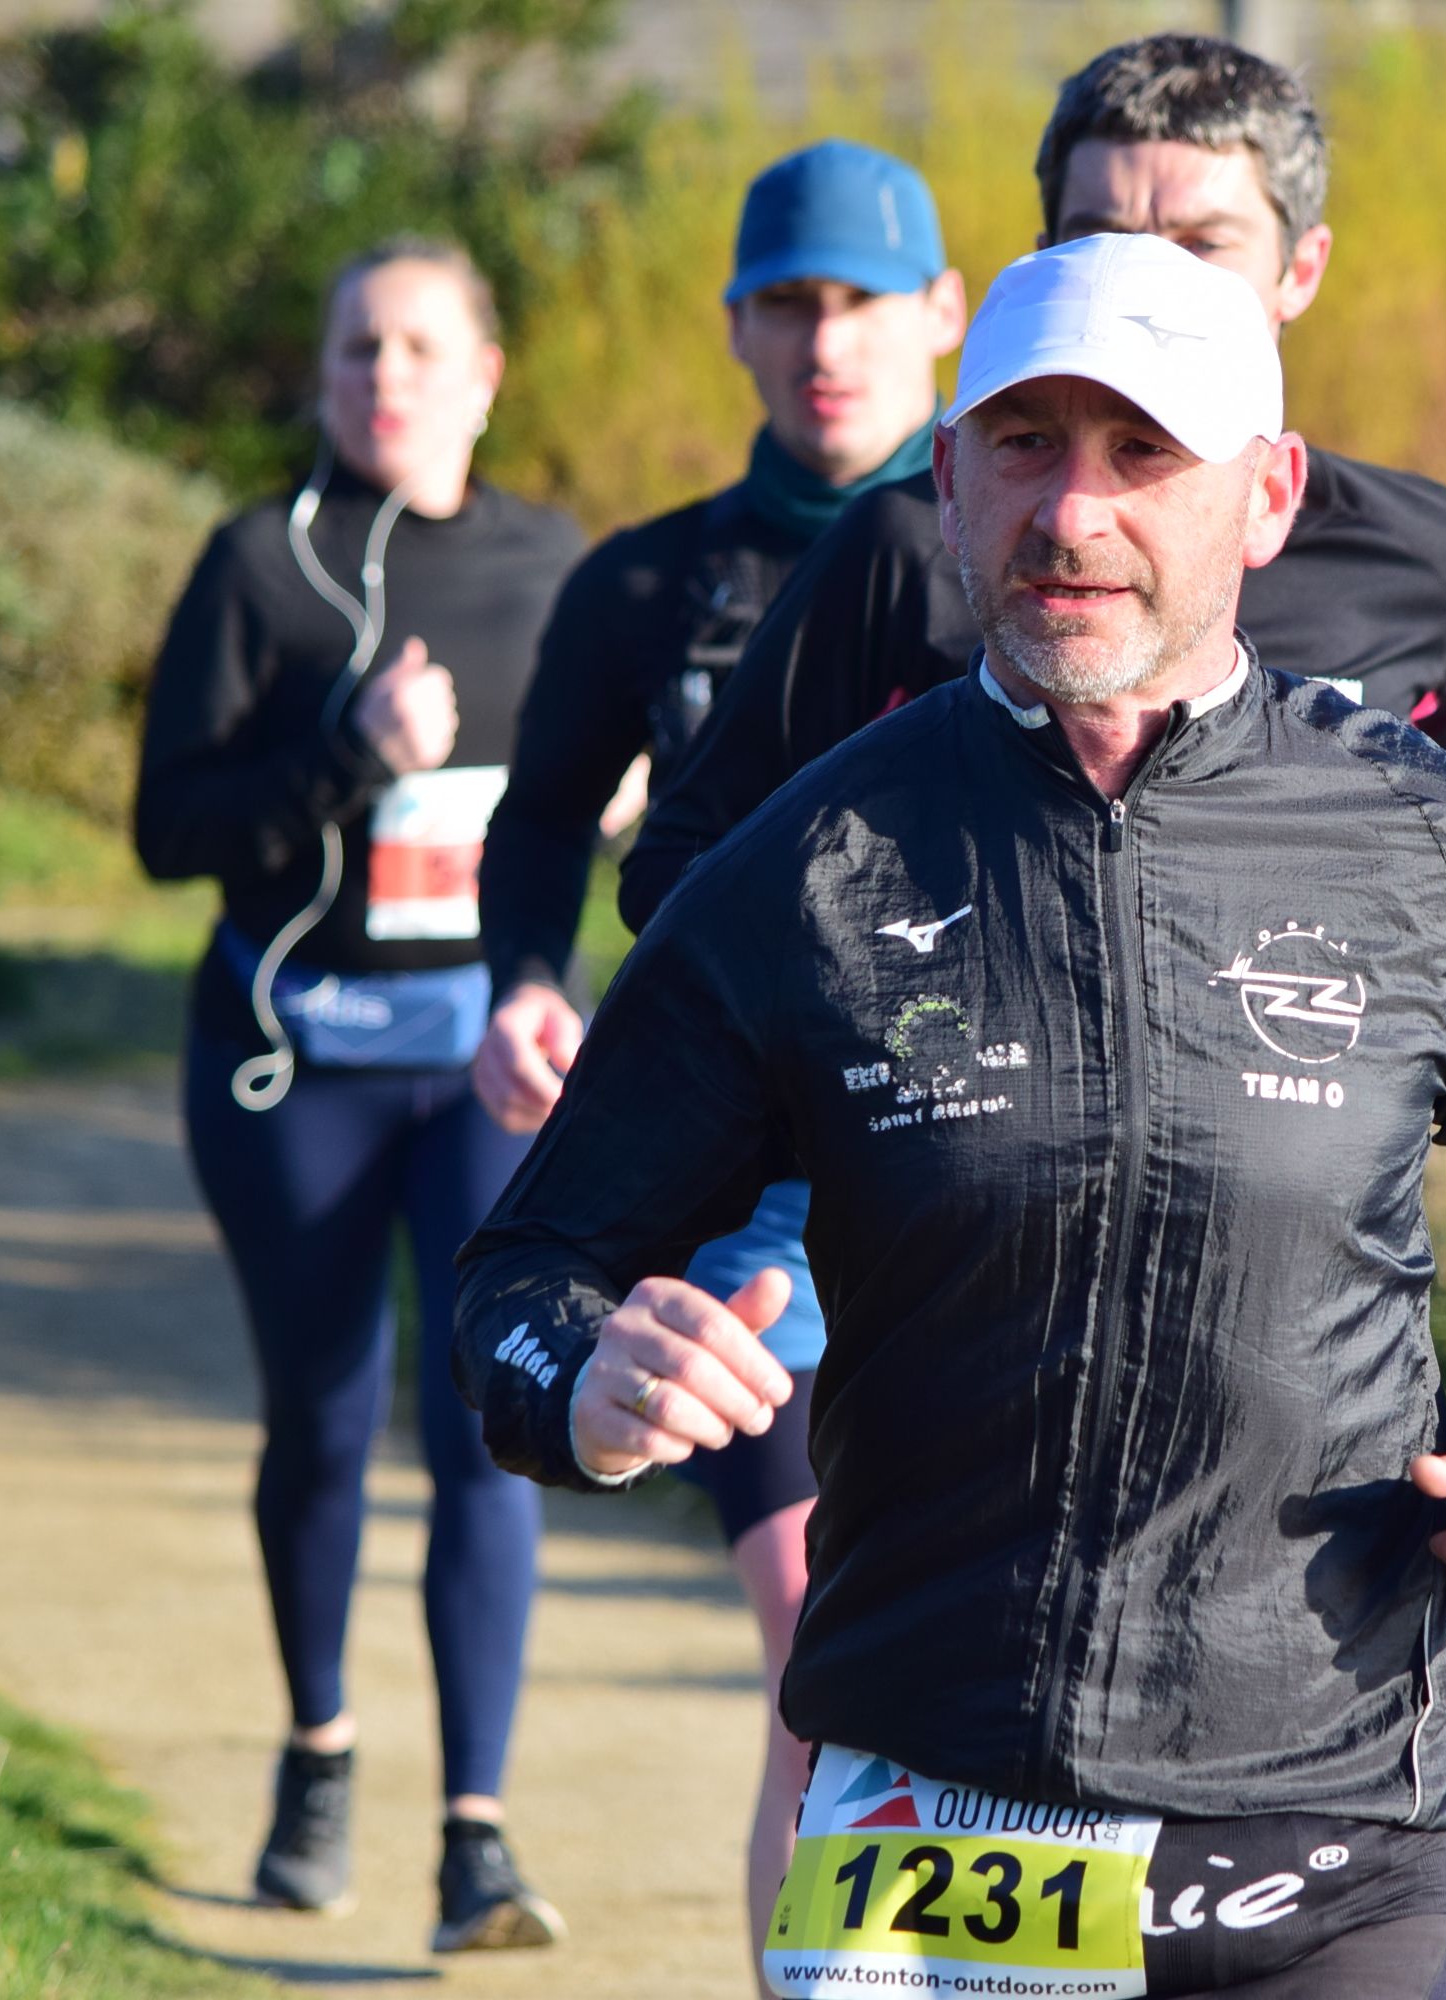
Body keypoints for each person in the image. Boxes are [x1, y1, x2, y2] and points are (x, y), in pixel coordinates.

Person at [454, 232, 1446, 1999]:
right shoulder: (811, 862)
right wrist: (585, 1375)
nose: (1074, 513)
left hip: (1337, 1825)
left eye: (1141, 452)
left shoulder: (1428, 840)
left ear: (1267, 497)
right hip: (926, 1821)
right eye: (1026, 446)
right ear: (948, 484)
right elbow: (526, 1268)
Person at [467, 138, 965, 1963]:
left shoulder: (1037, 562)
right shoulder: (647, 583)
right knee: (816, 1642)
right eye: (789, 304)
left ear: (945, 314)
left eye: (863, 303)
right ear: (738, 327)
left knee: (953, 1679)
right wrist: (524, 979)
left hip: (983, 1180)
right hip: (755, 1197)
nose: (827, 342)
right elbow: (543, 820)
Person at [617, 32, 1446, 939]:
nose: (1141, 281)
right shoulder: (912, 545)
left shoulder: (1430, 557)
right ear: (1043, 260)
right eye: (1100, 238)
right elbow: (691, 866)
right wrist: (898, 999)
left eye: (1201, 244)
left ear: (1300, 268)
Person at [134, 237, 582, 1953]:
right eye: (353, 350)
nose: (382, 376)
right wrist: (348, 749)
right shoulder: (264, 565)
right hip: (292, 1063)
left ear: (485, 376)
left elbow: (632, 782)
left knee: (488, 1424)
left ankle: (477, 1839)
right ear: (322, 379)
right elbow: (168, 828)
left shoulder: (557, 570)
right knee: (320, 1417)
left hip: (486, 1068)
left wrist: (610, 798)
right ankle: (318, 1750)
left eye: (415, 347)